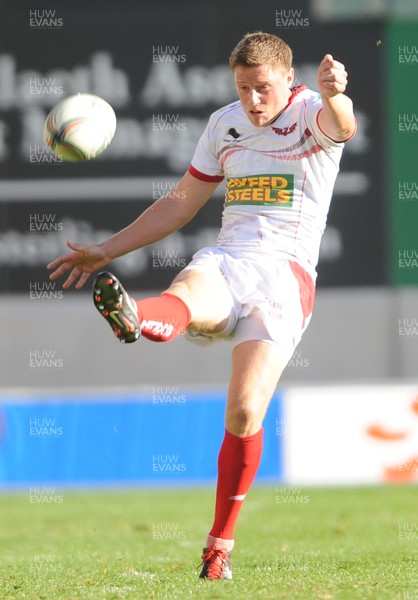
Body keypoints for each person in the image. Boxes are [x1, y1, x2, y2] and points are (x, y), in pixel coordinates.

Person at [48, 32, 356, 580]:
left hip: (285, 277)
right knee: (189, 293)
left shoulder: (313, 113)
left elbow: (345, 124)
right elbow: (180, 203)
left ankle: (219, 548)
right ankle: (139, 317)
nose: (253, 100)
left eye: (263, 88)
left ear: (289, 79)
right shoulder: (224, 125)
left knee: (243, 413)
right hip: (230, 259)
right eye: (243, 88)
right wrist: (106, 250)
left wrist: (335, 93)